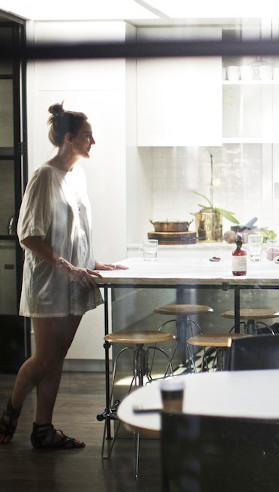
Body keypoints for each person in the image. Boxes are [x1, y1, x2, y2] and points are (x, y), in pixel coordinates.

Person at [0, 103, 127, 450]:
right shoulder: (44, 177)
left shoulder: (77, 176)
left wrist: (93, 262)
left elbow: (73, 233)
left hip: (74, 283)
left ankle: (43, 429)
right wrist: (67, 267)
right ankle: (10, 412)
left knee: (56, 358)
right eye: (87, 135)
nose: (93, 141)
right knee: (44, 357)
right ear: (69, 138)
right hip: (49, 284)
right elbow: (28, 236)